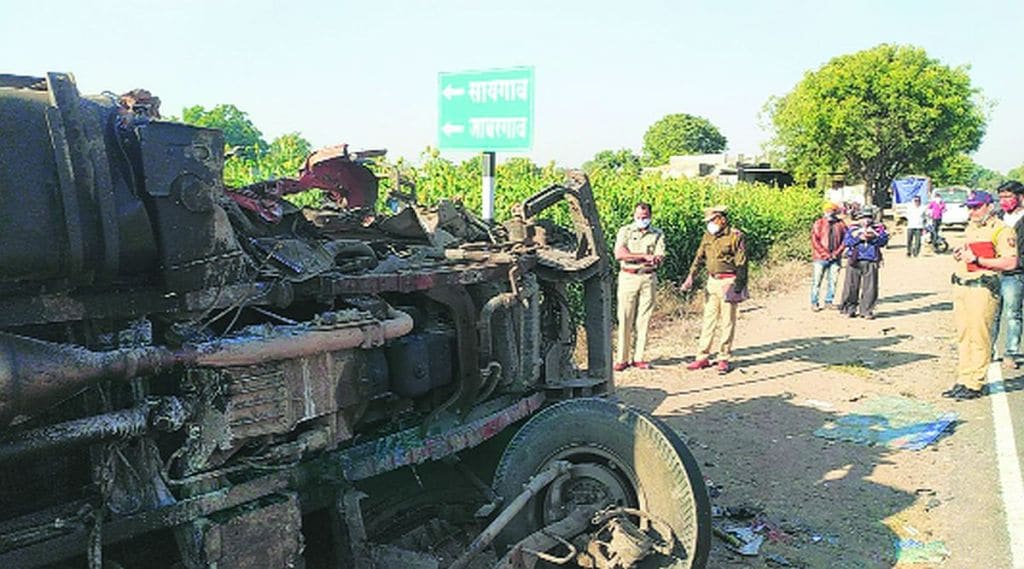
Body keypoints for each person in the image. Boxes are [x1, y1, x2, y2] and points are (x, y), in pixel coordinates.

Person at [944, 190, 1018, 400]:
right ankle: (963, 378)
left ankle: (974, 382)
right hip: (962, 285)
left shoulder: (1002, 231)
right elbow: (969, 252)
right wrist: (961, 254)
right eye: (969, 207)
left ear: (989, 206)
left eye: (976, 207)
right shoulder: (972, 227)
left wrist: (978, 260)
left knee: (979, 336)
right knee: (963, 335)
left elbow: (1010, 262)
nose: (972, 211)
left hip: (982, 288)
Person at [680, 205, 748, 374]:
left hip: (729, 281)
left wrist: (738, 287)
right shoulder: (708, 236)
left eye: (712, 220)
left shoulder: (735, 236)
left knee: (727, 321)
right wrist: (691, 277)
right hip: (712, 281)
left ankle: (723, 357)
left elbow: (742, 263)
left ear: (721, 219)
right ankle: (702, 357)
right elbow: (699, 257)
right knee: (708, 320)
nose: (709, 224)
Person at [613, 202, 665, 371]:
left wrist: (636, 257)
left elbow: (658, 257)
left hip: (648, 278)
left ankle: (638, 358)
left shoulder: (657, 233)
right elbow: (620, 254)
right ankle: (622, 358)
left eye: (645, 217)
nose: (642, 220)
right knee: (625, 318)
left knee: (644, 319)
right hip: (628, 276)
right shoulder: (625, 231)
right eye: (639, 217)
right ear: (634, 216)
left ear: (650, 216)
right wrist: (644, 256)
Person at [993, 181, 1024, 368]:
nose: (1004, 201)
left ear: (1020, 197)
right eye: (1001, 197)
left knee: (1013, 314)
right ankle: (987, 351)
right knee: (992, 313)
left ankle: (1010, 353)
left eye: (1008, 197)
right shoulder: (997, 219)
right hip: (994, 271)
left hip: (1015, 273)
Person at [839, 207, 889, 319]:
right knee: (850, 286)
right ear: (859, 218)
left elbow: (883, 241)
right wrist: (859, 238)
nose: (866, 220)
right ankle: (849, 309)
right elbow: (847, 242)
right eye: (863, 218)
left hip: (871, 260)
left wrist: (873, 237)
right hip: (854, 260)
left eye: (868, 218)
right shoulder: (853, 229)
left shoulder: (878, 229)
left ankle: (867, 310)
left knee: (870, 287)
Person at [810, 202, 847, 310]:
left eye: (832, 210)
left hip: (835, 258)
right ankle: (814, 302)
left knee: (833, 282)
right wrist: (824, 254)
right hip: (820, 258)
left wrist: (837, 253)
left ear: (835, 212)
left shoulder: (840, 224)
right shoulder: (819, 223)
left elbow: (846, 240)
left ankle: (828, 301)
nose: (829, 213)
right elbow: (814, 240)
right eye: (827, 210)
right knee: (817, 281)